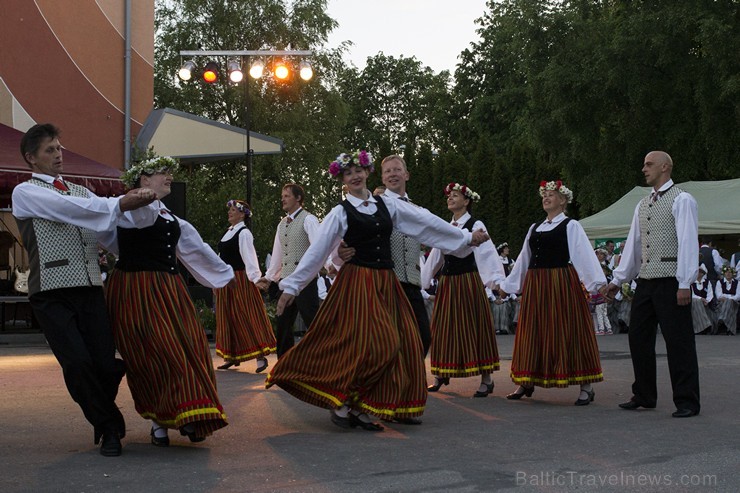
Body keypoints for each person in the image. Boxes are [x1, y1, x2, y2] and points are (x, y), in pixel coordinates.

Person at [266, 151, 489, 431]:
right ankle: (346, 402)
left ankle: (362, 407)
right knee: (381, 343)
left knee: (406, 340)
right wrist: (291, 286)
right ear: (343, 180)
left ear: (367, 173)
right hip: (359, 284)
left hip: (387, 283)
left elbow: (425, 223)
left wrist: (465, 237)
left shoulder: (386, 205)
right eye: (348, 174)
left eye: (359, 170)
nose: (355, 176)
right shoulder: (340, 212)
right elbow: (319, 250)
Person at [12, 123, 158, 456]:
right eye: (50, 150)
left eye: (59, 148)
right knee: (77, 364)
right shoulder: (27, 191)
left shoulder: (82, 191)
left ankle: (103, 416)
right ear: (31, 158)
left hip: (91, 287)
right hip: (51, 292)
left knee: (106, 365)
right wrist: (122, 202)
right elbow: (73, 211)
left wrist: (146, 210)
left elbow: (109, 230)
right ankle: (109, 427)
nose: (58, 154)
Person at [104, 156, 233, 446]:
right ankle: (160, 421)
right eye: (162, 172)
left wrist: (228, 277)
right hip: (136, 290)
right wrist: (140, 198)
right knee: (157, 353)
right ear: (144, 181)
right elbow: (134, 222)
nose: (169, 176)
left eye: (169, 173)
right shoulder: (130, 211)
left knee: (193, 345)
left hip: (169, 290)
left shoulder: (172, 219)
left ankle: (189, 414)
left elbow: (198, 250)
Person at [603, 150, 700, 418]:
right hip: (646, 280)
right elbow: (634, 245)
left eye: (649, 164)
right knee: (638, 338)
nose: (644, 169)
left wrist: (685, 282)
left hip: (671, 280)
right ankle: (644, 394)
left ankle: (687, 401)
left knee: (678, 342)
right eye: (644, 164)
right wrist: (618, 279)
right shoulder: (642, 204)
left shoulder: (682, 200)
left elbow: (688, 242)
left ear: (665, 167)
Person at [500, 180, 606, 405]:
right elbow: (523, 260)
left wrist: (596, 283)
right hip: (536, 284)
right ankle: (526, 381)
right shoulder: (534, 227)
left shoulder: (570, 225)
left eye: (551, 194)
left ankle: (585, 386)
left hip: (560, 283)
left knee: (568, 331)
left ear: (563, 200)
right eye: (544, 195)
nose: (546, 197)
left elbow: (583, 255)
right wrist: (508, 286)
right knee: (532, 331)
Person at [337, 155, 433, 356]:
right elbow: (348, 234)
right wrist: (341, 250)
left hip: (412, 283)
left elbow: (439, 233)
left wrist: (465, 239)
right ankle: (398, 385)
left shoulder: (420, 210)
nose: (392, 174)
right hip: (386, 283)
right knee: (389, 341)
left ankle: (406, 381)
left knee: (423, 338)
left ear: (406, 174)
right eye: (387, 171)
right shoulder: (374, 207)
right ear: (381, 178)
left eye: (397, 170)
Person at [422, 183, 505, 397]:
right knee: (443, 327)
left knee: (474, 326)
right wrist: (421, 281)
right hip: (448, 282)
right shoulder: (446, 226)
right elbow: (435, 256)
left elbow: (486, 253)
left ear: (466, 201)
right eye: (449, 195)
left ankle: (486, 379)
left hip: (468, 281)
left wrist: (497, 282)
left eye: (455, 195)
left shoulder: (475, 223)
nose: (450, 198)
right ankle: (441, 374)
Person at [256, 184, 320, 358]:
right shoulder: (282, 224)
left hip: (305, 281)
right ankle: (285, 365)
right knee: (282, 323)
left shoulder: (309, 220)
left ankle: (324, 362)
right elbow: (277, 255)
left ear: (298, 198)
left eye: (287, 196)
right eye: (282, 196)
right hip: (286, 281)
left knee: (313, 322)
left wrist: (328, 264)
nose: (282, 199)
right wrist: (269, 277)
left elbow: (319, 247)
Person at [214, 199, 276, 372]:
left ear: (242, 214)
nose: (230, 212)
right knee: (227, 316)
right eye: (230, 210)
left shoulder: (244, 233)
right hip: (226, 279)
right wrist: (216, 278)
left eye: (233, 210)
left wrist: (256, 278)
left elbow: (250, 258)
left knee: (248, 314)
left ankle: (260, 356)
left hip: (241, 279)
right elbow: (220, 258)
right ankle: (231, 356)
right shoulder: (228, 232)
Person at [714, 265, 739, 335]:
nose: (728, 274)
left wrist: (727, 297)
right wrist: (731, 296)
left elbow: (738, 296)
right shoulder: (719, 282)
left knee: (729, 302)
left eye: (730, 272)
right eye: (726, 272)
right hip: (721, 303)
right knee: (728, 304)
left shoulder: (738, 283)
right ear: (724, 273)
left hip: (734, 303)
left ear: (733, 274)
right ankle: (729, 329)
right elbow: (718, 295)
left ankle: (722, 319)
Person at [690, 264, 714, 335]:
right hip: (695, 304)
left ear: (702, 273)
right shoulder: (691, 283)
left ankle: (704, 326)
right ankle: (704, 326)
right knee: (696, 301)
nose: (698, 273)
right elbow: (692, 295)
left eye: (700, 272)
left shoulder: (707, 282)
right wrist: (701, 299)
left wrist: (707, 301)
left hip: (706, 304)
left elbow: (710, 293)